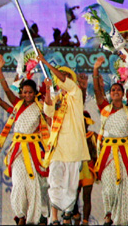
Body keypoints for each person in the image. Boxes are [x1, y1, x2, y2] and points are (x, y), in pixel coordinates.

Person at [0, 74, 49, 225]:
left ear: (35, 93)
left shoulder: (41, 108)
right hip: (18, 151)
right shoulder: (17, 106)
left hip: (34, 151)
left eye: (30, 92)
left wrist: (48, 88)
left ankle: (34, 218)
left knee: (33, 185)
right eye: (24, 92)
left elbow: (51, 114)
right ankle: (20, 215)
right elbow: (2, 97)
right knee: (19, 183)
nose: (27, 95)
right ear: (21, 93)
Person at [93, 55, 128, 226]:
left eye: (118, 90)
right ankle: (109, 214)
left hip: (126, 155)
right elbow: (97, 92)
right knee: (109, 188)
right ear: (110, 94)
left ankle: (123, 219)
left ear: (123, 94)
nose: (115, 92)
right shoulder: (105, 108)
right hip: (108, 153)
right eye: (113, 90)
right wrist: (95, 69)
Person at [38, 52, 90, 226]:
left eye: (67, 77)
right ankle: (54, 219)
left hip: (74, 147)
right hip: (58, 147)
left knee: (70, 186)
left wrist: (45, 62)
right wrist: (47, 89)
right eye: (61, 76)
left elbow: (64, 81)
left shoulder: (75, 94)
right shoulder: (57, 98)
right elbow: (48, 112)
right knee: (54, 181)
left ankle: (67, 215)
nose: (63, 79)